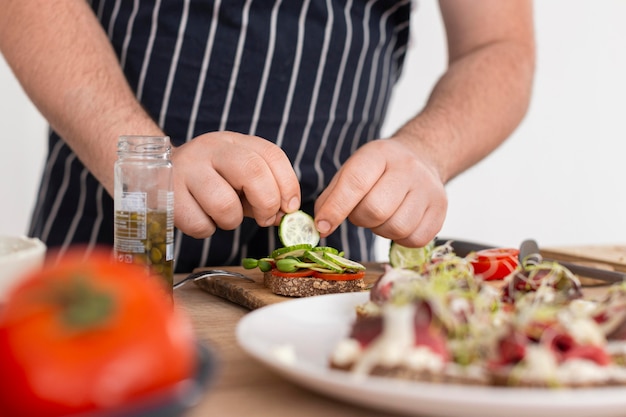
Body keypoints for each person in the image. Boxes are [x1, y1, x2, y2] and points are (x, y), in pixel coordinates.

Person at [0, 0, 535, 272]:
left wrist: (428, 151)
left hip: (322, 276)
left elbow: (497, 46)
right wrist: (143, 163)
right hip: (104, 241)